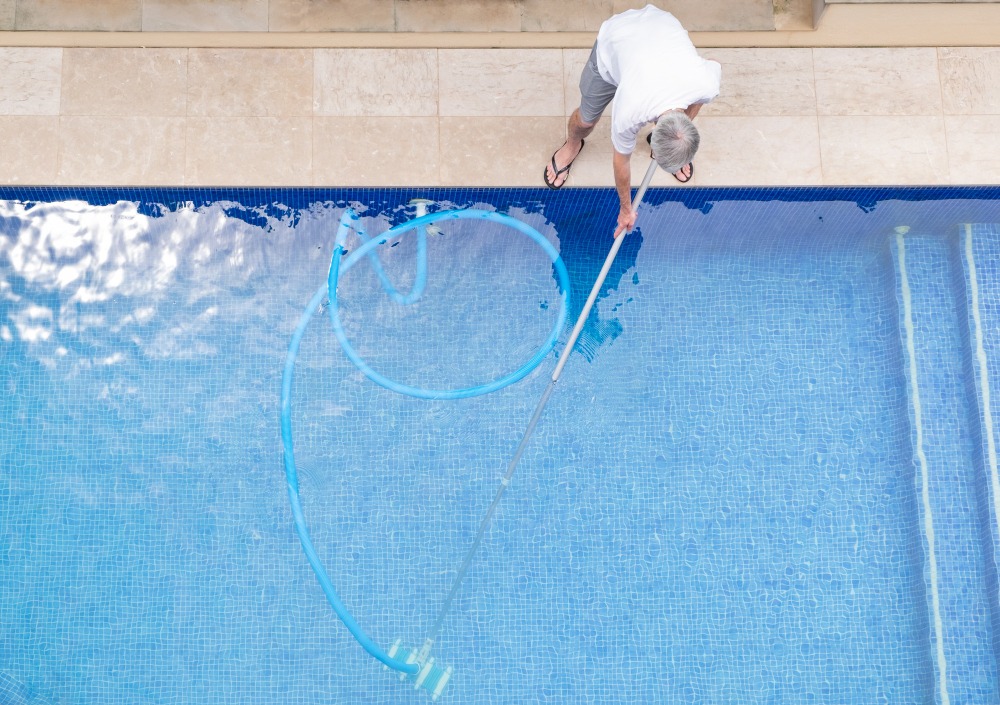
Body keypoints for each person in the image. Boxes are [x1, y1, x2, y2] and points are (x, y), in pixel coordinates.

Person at [543, 5, 722, 235]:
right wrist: (625, 210)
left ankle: (675, 144)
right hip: (616, 41)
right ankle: (572, 144)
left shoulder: (705, 84)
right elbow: (621, 161)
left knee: (689, 116)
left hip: (661, 29)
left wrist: (678, 143)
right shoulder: (630, 109)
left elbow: (713, 66)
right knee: (586, 120)